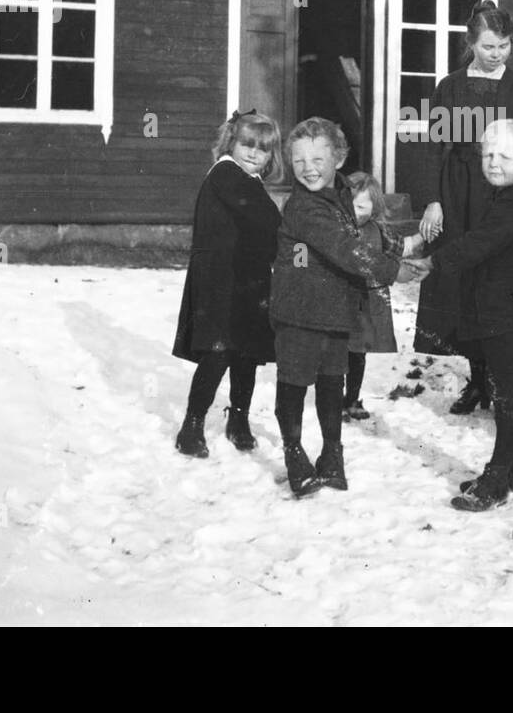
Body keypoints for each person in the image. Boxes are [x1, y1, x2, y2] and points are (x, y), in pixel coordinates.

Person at [407, 119, 513, 512]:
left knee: (507, 394)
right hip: (507, 305)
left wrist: (435, 262)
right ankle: (510, 468)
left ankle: (498, 476)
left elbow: (482, 242)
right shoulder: (510, 193)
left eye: (504, 155)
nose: (493, 162)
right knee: (502, 389)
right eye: (488, 153)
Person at [270, 118, 424, 497]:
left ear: (338, 159)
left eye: (318, 158)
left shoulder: (340, 192)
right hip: (299, 312)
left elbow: (361, 233)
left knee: (330, 384)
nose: (308, 167)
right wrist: (394, 270)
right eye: (299, 159)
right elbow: (345, 248)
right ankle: (295, 455)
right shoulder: (305, 207)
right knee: (293, 383)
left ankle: (332, 458)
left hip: (335, 309)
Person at [414, 0, 513, 416]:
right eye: (488, 46)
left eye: (504, 46)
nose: (497, 54)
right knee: (461, 278)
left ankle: (496, 378)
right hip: (458, 189)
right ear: (471, 43)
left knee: (495, 278)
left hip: (500, 190)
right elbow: (435, 145)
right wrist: (434, 200)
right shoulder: (450, 86)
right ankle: (476, 378)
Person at [172, 111, 283, 458]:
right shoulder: (226, 173)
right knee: (218, 351)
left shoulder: (249, 180)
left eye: (262, 150)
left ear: (270, 157)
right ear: (231, 143)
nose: (253, 153)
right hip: (220, 280)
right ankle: (191, 424)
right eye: (246, 144)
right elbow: (264, 217)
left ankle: (239, 419)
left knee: (246, 353)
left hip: (248, 279)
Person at [342, 171, 425, 421]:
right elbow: (302, 249)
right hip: (336, 298)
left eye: (360, 206)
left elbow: (404, 247)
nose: (353, 211)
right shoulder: (331, 226)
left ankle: (352, 398)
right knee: (335, 351)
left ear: (374, 206)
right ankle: (331, 396)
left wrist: (426, 233)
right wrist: (299, 266)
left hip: (365, 302)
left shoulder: (378, 230)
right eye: (348, 204)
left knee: (357, 351)